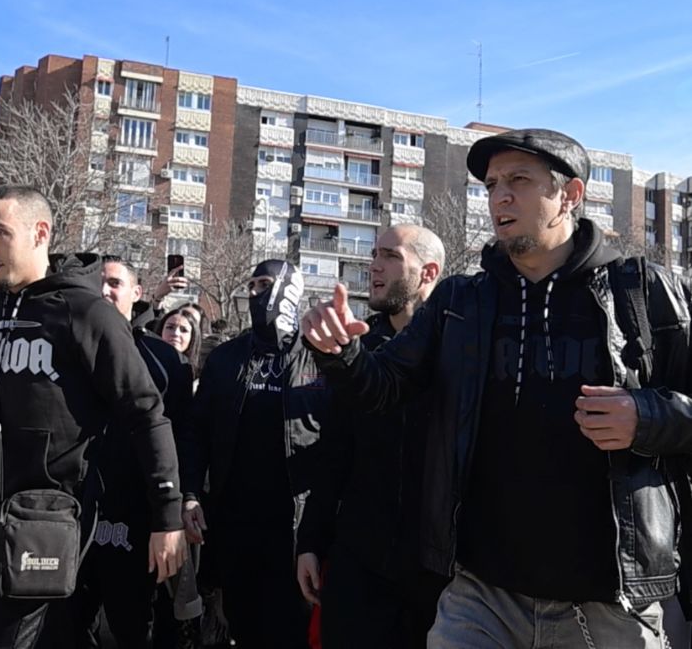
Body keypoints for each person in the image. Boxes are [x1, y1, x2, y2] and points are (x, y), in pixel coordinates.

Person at [300, 128, 692, 648]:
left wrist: (646, 418)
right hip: (482, 596)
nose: (499, 196)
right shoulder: (462, 302)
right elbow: (382, 387)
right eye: (491, 184)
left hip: (608, 603)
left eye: (519, 181)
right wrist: (340, 354)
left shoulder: (642, 290)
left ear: (570, 195)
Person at [0, 186, 186, 647]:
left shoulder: (86, 313)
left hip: (52, 521)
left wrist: (167, 516)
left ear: (39, 233)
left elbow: (146, 413)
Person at [295, 225, 449, 648]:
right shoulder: (359, 348)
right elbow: (334, 453)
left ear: (429, 272)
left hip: (438, 576)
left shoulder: (459, 349)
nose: (374, 265)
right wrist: (310, 542)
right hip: (360, 564)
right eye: (374, 253)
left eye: (390, 255)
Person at [179, 258, 327, 648]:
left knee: (290, 628)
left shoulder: (319, 358)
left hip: (294, 525)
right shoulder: (226, 359)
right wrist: (191, 492)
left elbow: (337, 442)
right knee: (242, 624)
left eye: (264, 284)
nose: (254, 293)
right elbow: (197, 431)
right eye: (252, 285)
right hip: (234, 522)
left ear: (289, 289)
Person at [73, 256, 197, 648]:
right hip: (72, 517)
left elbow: (182, 441)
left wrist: (177, 507)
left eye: (114, 283)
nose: (105, 291)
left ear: (137, 293)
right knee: (66, 626)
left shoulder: (166, 362)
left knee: (132, 627)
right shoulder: (66, 346)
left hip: (137, 521)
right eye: (98, 284)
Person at [157, 307, 202, 377]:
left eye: (184, 330)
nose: (176, 333)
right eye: (170, 327)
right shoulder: (144, 364)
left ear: (192, 337)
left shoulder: (200, 375)